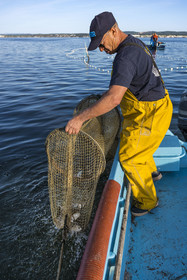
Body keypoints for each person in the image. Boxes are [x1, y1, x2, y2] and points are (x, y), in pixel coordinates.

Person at [65, 12, 173, 217]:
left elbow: (114, 98)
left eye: (102, 43)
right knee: (135, 143)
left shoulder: (125, 57)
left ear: (114, 30)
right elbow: (120, 89)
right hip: (157, 106)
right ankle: (152, 173)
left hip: (149, 114)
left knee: (129, 157)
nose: (101, 49)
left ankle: (148, 201)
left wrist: (80, 118)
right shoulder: (133, 43)